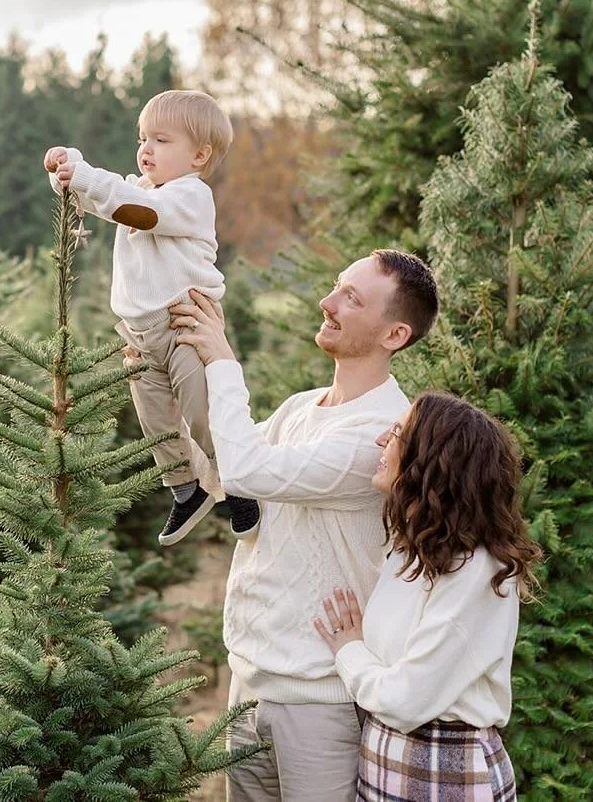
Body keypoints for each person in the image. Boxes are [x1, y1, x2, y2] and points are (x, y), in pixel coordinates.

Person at [167, 249, 440, 801]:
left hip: (319, 702)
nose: (328, 302)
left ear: (395, 334)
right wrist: (159, 378)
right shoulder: (300, 408)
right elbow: (221, 468)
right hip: (249, 683)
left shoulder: (382, 434)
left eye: (352, 298)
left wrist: (222, 359)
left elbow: (246, 469)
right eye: (337, 287)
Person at [44, 89, 259, 546]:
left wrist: (85, 174)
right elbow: (106, 196)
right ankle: (188, 489)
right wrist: (67, 169)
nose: (146, 149)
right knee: (156, 422)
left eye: (161, 140)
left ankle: (239, 483)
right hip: (139, 335)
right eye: (142, 138)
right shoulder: (139, 190)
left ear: (199, 155)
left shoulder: (190, 197)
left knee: (202, 412)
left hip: (185, 324)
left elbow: (137, 212)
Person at [313, 391, 542, 801]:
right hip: (386, 761)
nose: (383, 439)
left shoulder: (478, 572)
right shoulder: (411, 552)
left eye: (398, 431)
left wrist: (349, 650)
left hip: (446, 770)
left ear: (433, 459)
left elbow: (404, 701)